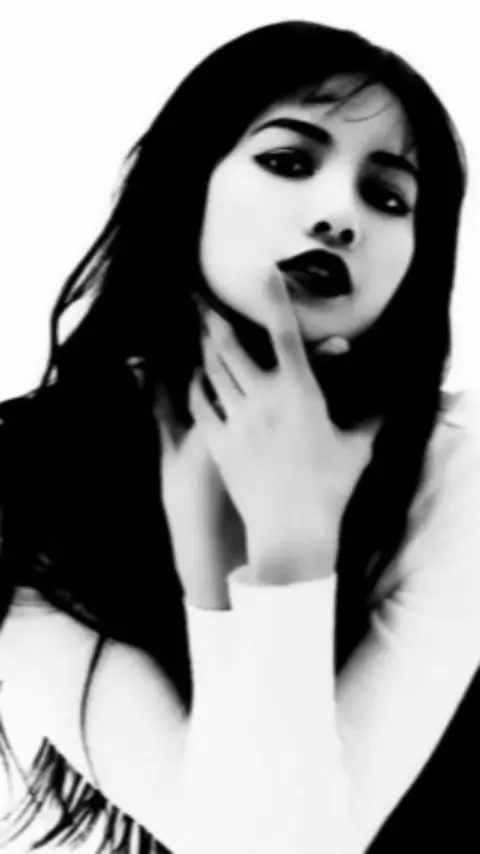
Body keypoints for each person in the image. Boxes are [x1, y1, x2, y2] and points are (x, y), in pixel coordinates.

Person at [0, 17, 480, 854]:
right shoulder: (23, 478)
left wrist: (289, 549)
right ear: (186, 184)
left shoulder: (461, 468)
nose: (340, 215)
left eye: (389, 197)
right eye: (289, 161)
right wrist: (224, 568)